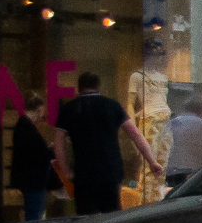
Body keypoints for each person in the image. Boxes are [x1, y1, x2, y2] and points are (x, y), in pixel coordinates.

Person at [52, 71, 163, 215]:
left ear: (79, 88)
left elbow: (58, 144)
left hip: (84, 174)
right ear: (98, 86)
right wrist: (152, 161)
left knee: (86, 220)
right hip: (110, 171)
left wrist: (66, 171)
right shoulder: (112, 105)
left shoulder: (70, 109)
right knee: (111, 217)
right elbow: (135, 134)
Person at [7, 107, 62, 222]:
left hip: (32, 181)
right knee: (35, 217)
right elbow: (38, 153)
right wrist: (50, 150)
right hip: (34, 181)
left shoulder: (24, 127)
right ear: (34, 110)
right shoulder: (27, 128)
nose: (42, 120)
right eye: (41, 114)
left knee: (35, 214)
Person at [164, 88, 202, 184]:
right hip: (192, 173)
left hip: (171, 171)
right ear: (200, 109)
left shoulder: (172, 122)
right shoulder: (201, 123)